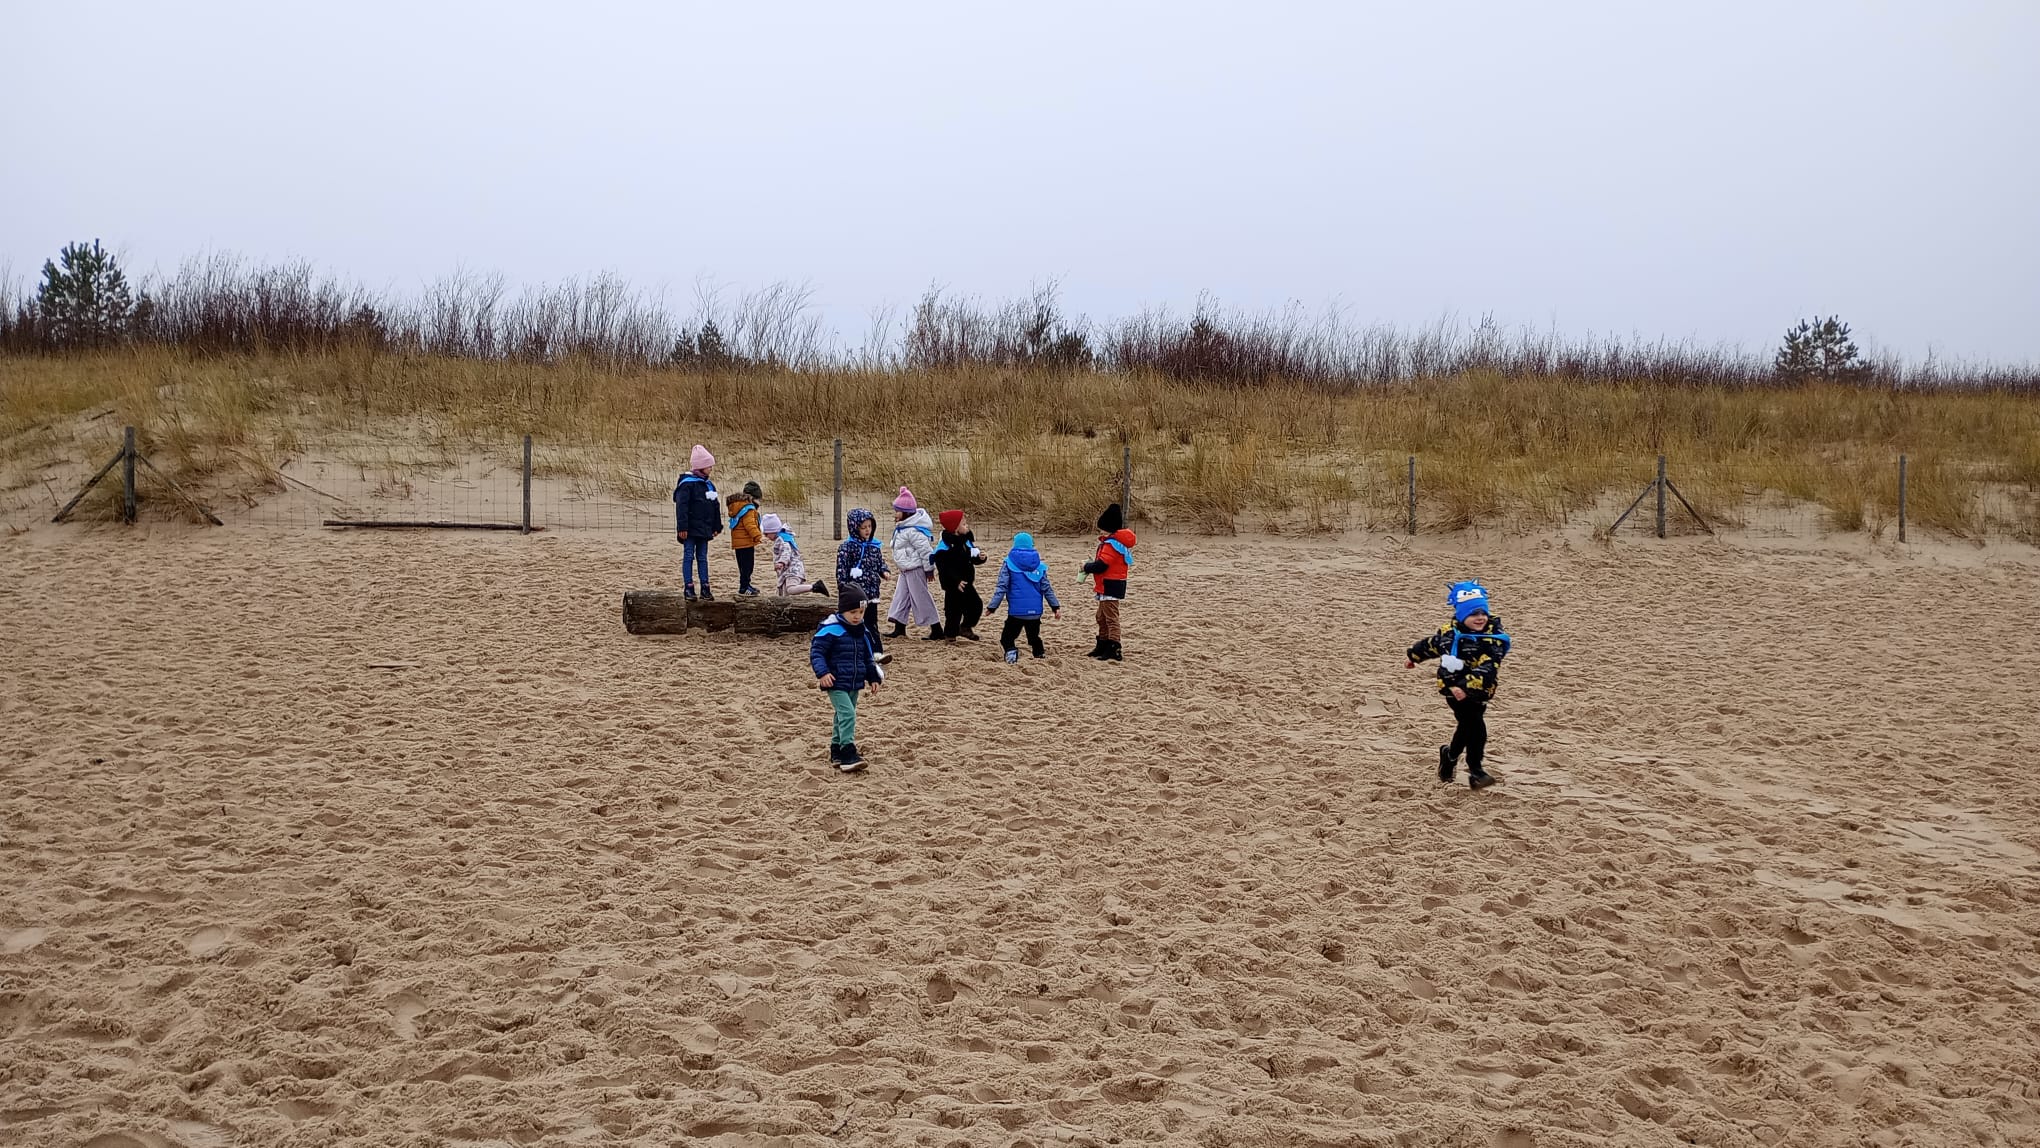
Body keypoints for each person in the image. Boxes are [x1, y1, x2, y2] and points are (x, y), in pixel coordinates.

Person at [1405, 580, 1513, 790]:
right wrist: (1414, 657)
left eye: (1483, 613)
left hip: (1479, 690)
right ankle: (1476, 770)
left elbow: (1489, 668)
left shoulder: (1493, 639)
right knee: (1476, 727)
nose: (1480, 618)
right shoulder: (1450, 634)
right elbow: (1431, 645)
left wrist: (1467, 687)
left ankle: (1450, 756)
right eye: (1473, 614)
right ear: (1462, 616)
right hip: (1452, 689)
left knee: (1466, 727)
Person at [811, 585, 883, 772]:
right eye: (853, 612)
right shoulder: (831, 630)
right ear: (842, 610)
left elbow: (868, 657)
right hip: (835, 681)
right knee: (848, 714)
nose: (857, 616)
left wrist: (873, 677)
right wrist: (823, 673)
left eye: (861, 612)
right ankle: (848, 752)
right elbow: (817, 653)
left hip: (854, 682)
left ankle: (836, 749)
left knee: (841, 715)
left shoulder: (861, 631)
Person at [983, 531, 1061, 664]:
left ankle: (1011, 654)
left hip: (1016, 612)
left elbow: (1002, 587)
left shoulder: (1008, 563)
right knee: (1034, 637)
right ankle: (1039, 655)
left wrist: (992, 607)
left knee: (1007, 638)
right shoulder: (1039, 565)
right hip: (1035, 613)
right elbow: (1047, 588)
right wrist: (1055, 607)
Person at [1079, 502, 1137, 661]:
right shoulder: (1111, 543)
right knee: (1101, 616)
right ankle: (1103, 644)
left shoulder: (1111, 545)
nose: (1100, 531)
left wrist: (1086, 567)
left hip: (1110, 585)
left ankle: (1114, 647)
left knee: (1110, 617)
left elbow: (1102, 565)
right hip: (1107, 584)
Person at [884, 487, 942, 640]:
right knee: (901, 597)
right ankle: (899, 627)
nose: (895, 514)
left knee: (921, 597)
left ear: (906, 513)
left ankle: (936, 628)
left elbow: (926, 552)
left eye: (898, 511)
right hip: (905, 569)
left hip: (915, 569)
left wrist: (929, 570)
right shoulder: (903, 528)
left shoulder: (914, 531)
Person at [836, 508, 893, 662]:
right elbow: (841, 569)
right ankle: (850, 651)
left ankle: (876, 652)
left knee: (871, 623)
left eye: (870, 526)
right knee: (853, 623)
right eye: (863, 527)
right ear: (855, 528)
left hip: (872, 592)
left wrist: (884, 571)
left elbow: (879, 563)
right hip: (854, 594)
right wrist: (843, 588)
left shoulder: (874, 546)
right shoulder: (847, 547)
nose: (868, 530)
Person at [673, 444, 721, 600]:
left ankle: (705, 587)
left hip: (704, 529)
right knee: (688, 556)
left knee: (702, 557)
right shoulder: (687, 484)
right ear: (700, 466)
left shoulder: (709, 485)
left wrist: (716, 526)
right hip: (690, 529)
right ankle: (688, 587)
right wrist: (682, 527)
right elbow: (681, 507)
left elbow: (715, 506)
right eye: (708, 466)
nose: (711, 468)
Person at [932, 509, 987, 643]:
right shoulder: (944, 548)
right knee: (953, 611)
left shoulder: (965, 541)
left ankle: (966, 627)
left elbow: (970, 557)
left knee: (976, 605)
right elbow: (944, 569)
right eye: (964, 524)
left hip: (967, 582)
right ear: (955, 528)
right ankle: (950, 635)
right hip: (953, 585)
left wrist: (980, 558)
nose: (967, 526)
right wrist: (955, 581)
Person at [764, 513, 828, 596]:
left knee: (790, 589)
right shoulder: (784, 537)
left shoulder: (781, 539)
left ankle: (815, 587)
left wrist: (781, 562)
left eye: (766, 534)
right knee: (783, 592)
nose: (766, 536)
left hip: (793, 569)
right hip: (788, 570)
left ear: (773, 531)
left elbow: (786, 550)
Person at [726, 481, 764, 596]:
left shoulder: (738, 507)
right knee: (748, 566)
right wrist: (758, 536)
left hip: (738, 542)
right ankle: (744, 587)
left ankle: (746, 585)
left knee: (743, 566)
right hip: (746, 542)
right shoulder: (749, 509)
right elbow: (750, 525)